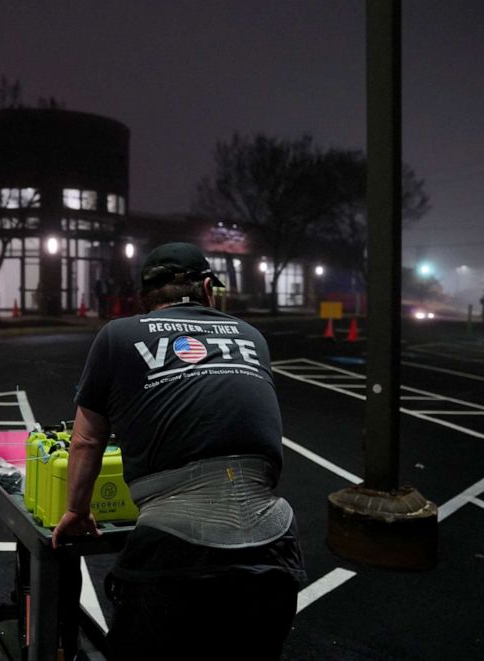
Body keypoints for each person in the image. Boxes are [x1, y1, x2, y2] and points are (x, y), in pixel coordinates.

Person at [52, 242, 306, 660]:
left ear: (145, 297)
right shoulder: (250, 336)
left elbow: (86, 439)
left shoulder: (119, 335)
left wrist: (77, 510)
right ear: (208, 288)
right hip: (272, 540)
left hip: (175, 550)